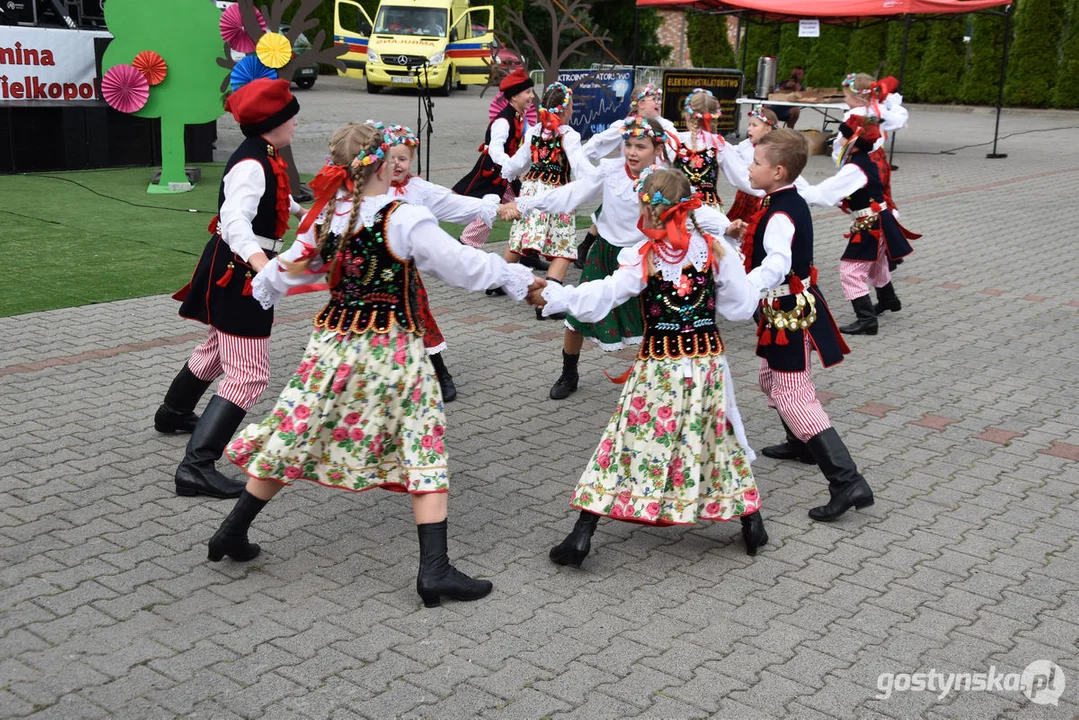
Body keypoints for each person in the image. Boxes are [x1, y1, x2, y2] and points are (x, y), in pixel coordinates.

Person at [209, 122, 540, 608]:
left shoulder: (330, 214)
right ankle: (435, 570)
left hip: (333, 343)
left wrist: (265, 285)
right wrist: (516, 276)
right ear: (384, 164)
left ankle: (230, 532)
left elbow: (288, 270)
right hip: (391, 348)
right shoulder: (402, 217)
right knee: (421, 440)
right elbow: (463, 266)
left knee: (300, 431)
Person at [530, 168, 767, 565]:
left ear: (652, 209)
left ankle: (582, 534)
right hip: (705, 363)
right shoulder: (714, 249)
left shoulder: (646, 256)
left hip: (660, 366)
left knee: (625, 441)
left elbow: (602, 295)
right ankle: (751, 522)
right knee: (714, 436)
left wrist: (556, 296)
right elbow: (740, 307)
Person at [156, 78, 306, 500]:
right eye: (291, 114)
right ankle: (196, 466)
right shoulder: (251, 164)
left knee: (216, 351)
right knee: (249, 374)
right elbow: (236, 219)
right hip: (239, 272)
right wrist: (261, 264)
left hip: (234, 266)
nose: (296, 121)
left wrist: (306, 212)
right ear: (275, 121)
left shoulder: (266, 155)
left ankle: (172, 413)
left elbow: (276, 199)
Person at [735, 128, 873, 522]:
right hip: (784, 308)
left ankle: (847, 481)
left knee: (794, 393)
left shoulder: (780, 212)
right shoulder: (785, 201)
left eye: (757, 162)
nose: (749, 166)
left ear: (778, 171)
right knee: (769, 381)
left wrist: (748, 285)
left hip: (788, 312)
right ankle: (799, 442)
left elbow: (777, 261)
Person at [386, 123, 503, 400]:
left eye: (402, 159)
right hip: (370, 276)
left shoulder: (419, 190)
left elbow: (457, 205)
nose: (397, 165)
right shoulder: (366, 188)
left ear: (411, 160)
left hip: (404, 275)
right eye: (391, 159)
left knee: (419, 319)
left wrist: (494, 207)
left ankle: (440, 373)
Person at [797, 116, 916, 336]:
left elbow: (825, 195)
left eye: (842, 135)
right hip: (877, 220)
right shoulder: (861, 162)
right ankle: (888, 299)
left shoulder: (856, 168)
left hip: (871, 224)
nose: (838, 139)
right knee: (877, 264)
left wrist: (798, 187)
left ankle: (866, 319)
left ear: (853, 140)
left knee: (850, 271)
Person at [498, 82, 594, 319]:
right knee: (561, 246)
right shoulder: (568, 134)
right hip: (556, 194)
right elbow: (578, 164)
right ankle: (547, 304)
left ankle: (496, 280)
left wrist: (508, 169)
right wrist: (592, 181)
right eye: (570, 106)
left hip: (531, 189)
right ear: (564, 109)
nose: (572, 111)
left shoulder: (535, 131)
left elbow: (520, 162)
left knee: (521, 235)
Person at [452, 68, 546, 270]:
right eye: (528, 92)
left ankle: (528, 251)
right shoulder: (503, 120)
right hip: (493, 173)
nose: (532, 96)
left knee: (525, 206)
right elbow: (495, 149)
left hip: (506, 175)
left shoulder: (519, 116)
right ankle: (464, 249)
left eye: (531, 92)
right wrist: (509, 166)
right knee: (488, 212)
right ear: (514, 96)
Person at [576, 83, 677, 269]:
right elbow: (597, 143)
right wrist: (583, 166)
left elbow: (678, 150)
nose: (658, 102)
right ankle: (590, 249)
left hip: (655, 185)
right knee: (608, 215)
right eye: (652, 98)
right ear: (639, 104)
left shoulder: (666, 127)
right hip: (628, 182)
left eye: (658, 98)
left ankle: (649, 260)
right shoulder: (625, 126)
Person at [725, 104, 778, 224]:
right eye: (749, 125)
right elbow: (731, 154)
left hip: (761, 197)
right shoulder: (745, 145)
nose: (749, 129)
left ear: (768, 129)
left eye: (754, 125)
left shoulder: (774, 149)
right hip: (744, 194)